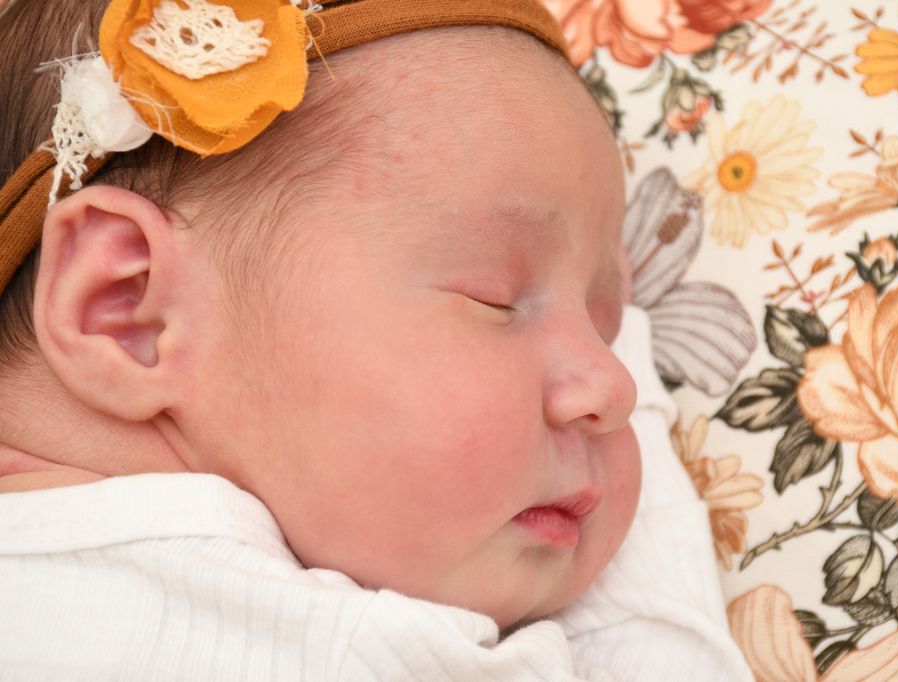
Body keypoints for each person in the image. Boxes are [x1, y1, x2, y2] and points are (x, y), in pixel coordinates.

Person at [0, 0, 753, 679]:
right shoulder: (344, 643)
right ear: (127, 308)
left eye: (609, 329)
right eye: (494, 298)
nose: (615, 389)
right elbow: (660, 657)